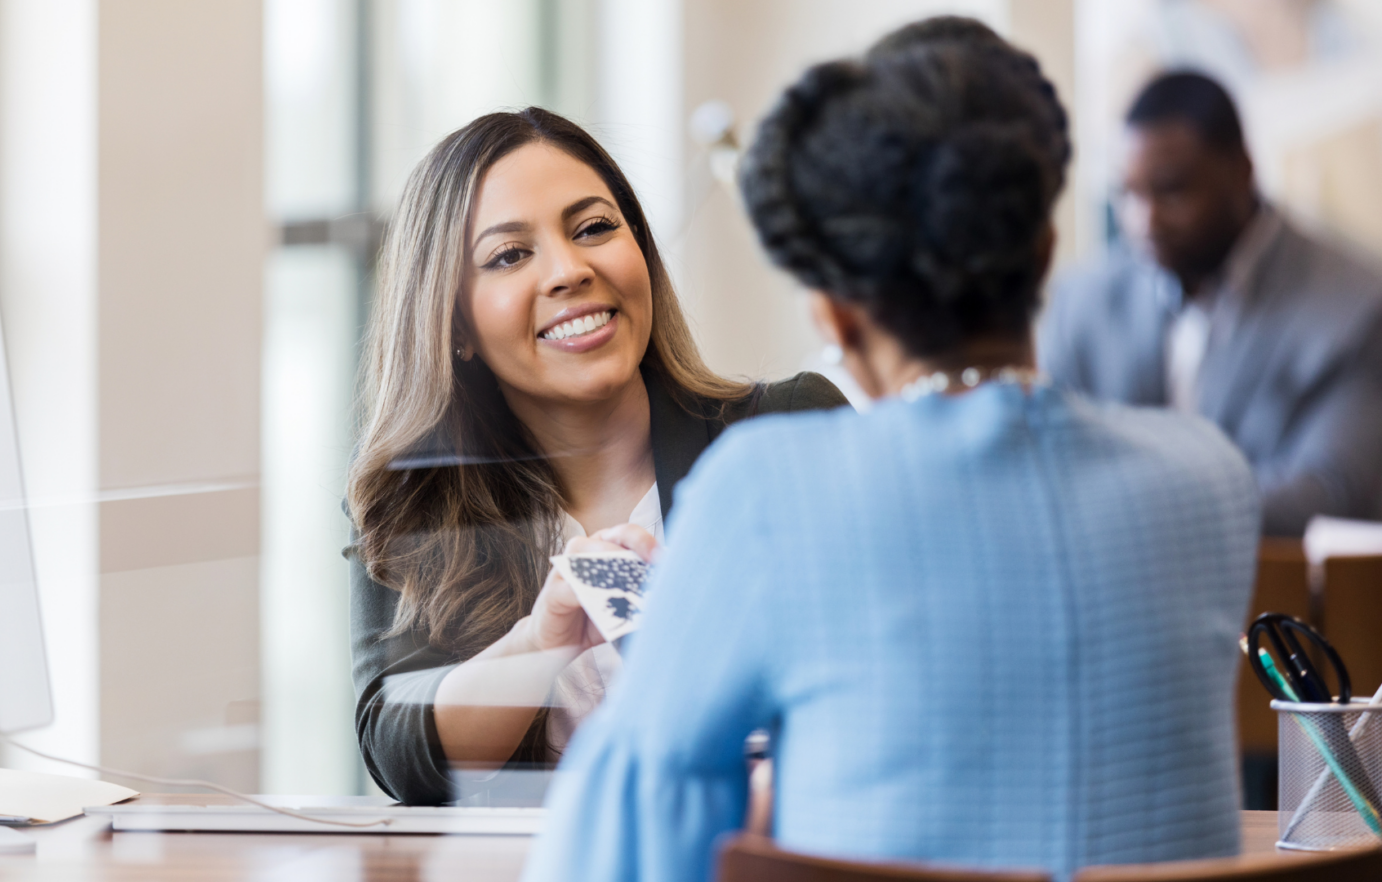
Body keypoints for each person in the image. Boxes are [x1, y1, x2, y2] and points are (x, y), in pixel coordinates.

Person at [523, 19, 1258, 882]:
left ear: (832, 315)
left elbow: (633, 834)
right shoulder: (1210, 478)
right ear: (1045, 253)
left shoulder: (770, 487)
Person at [344, 108, 847, 806]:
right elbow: (398, 753)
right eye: (510, 255)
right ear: (455, 324)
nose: (570, 270)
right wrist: (541, 640)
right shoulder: (417, 500)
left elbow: (893, 680)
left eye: (594, 229)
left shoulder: (789, 430)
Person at [1039, 71, 1382, 536]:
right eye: (1129, 194)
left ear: (1242, 172)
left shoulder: (1356, 304)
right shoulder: (1082, 303)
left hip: (1280, 598)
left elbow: (1331, 489)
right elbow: (1045, 463)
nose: (1145, 222)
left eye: (1172, 190)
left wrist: (1130, 508)